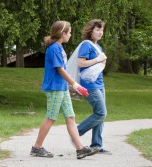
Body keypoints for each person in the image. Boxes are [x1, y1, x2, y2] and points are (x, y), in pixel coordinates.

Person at [31, 21, 99, 159]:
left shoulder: (60, 48)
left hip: (61, 88)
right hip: (55, 88)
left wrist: (68, 86)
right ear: (63, 34)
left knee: (70, 117)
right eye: (69, 32)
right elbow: (60, 69)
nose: (70, 34)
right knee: (51, 117)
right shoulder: (54, 48)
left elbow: (62, 70)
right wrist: (75, 85)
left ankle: (80, 149)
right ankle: (36, 148)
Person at [76, 19, 111, 154]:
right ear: (90, 31)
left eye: (102, 30)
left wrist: (102, 61)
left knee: (100, 115)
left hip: (99, 83)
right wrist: (98, 59)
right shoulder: (86, 45)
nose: (100, 32)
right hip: (89, 85)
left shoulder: (98, 47)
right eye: (97, 29)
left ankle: (96, 144)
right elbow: (81, 63)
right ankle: (76, 133)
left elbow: (99, 66)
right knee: (101, 113)